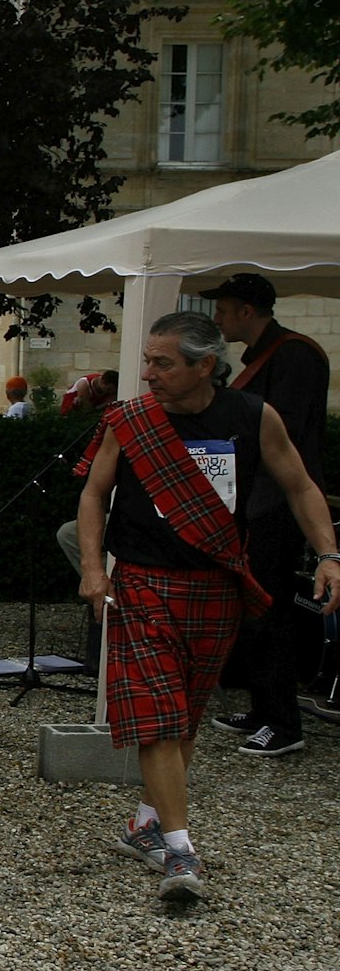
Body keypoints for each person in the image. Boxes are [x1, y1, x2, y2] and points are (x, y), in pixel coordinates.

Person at [78, 311, 340, 900]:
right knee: (157, 718)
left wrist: (330, 554)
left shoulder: (252, 417)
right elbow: (94, 495)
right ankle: (179, 851)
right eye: (147, 360)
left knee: (185, 716)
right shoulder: (131, 421)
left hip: (217, 586)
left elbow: (300, 486)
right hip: (143, 584)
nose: (147, 375)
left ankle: (146, 824)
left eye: (162, 363)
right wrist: (94, 569)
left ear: (205, 366)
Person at [202, 272, 331, 757]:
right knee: (253, 611)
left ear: (246, 312)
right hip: (255, 499)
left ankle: (284, 722)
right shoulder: (262, 356)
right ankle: (262, 708)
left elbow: (285, 438)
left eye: (223, 309)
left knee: (270, 610)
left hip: (273, 504)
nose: (217, 318)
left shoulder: (295, 354)